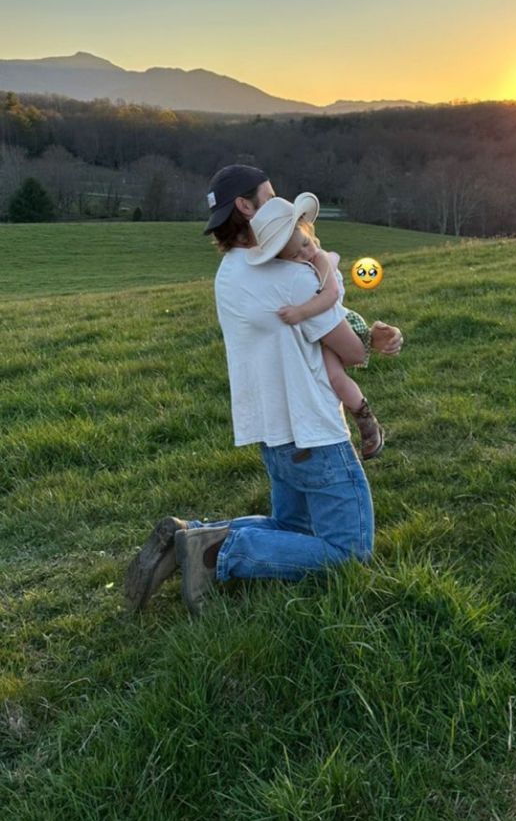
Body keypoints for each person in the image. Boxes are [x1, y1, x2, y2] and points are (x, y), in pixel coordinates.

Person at [124, 164, 403, 615]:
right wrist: (370, 334)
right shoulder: (290, 277)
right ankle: (218, 553)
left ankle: (190, 534)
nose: (279, 206)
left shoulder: (228, 275)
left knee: (289, 527)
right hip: (314, 433)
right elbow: (351, 352)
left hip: (274, 435)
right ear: (245, 207)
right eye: (270, 197)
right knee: (350, 552)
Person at [249, 195, 385, 460]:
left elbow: (331, 294)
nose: (305, 253)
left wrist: (301, 312)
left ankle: (367, 422)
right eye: (295, 255)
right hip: (325, 333)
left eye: (306, 244)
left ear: (310, 233)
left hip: (346, 323)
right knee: (320, 378)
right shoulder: (296, 270)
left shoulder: (320, 259)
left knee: (334, 378)